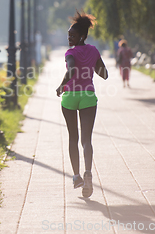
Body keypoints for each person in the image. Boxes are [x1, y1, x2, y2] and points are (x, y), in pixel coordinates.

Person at [56, 11, 108, 198]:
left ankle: (77, 177)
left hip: (70, 97)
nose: (69, 37)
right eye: (69, 35)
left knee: (73, 138)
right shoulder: (93, 51)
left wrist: (61, 86)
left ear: (82, 36)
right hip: (88, 96)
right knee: (86, 140)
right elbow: (104, 74)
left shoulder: (70, 53)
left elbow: (70, 70)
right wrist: (92, 64)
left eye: (73, 35)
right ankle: (88, 173)